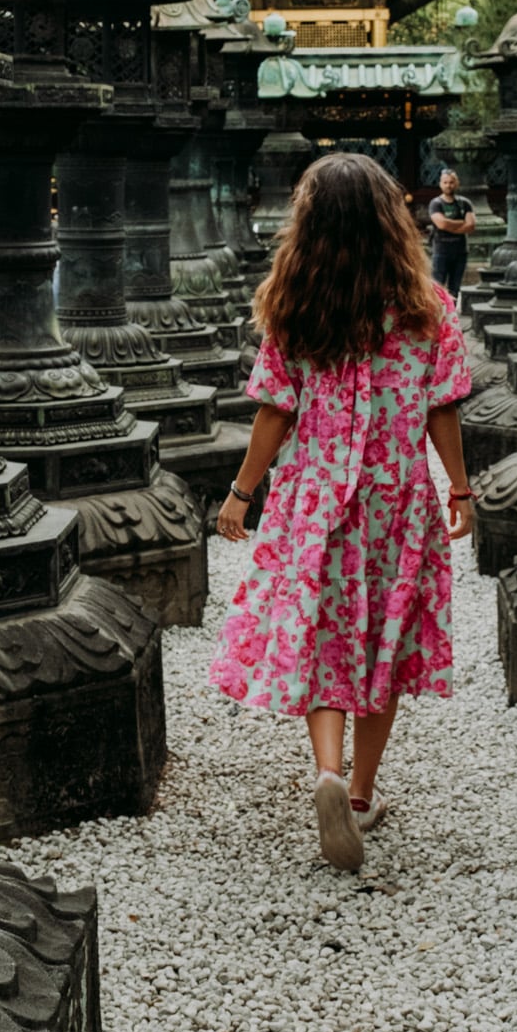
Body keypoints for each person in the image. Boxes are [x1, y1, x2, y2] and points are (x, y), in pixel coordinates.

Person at [209, 152, 474, 872]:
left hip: (313, 497)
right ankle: (359, 794)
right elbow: (441, 409)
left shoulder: (294, 304)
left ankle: (325, 771)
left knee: (322, 632)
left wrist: (240, 494)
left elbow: (273, 411)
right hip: (395, 497)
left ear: (311, 222)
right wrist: (459, 489)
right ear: (392, 220)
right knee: (382, 640)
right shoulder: (428, 307)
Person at [426, 166, 475, 299]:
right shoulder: (436, 203)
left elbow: (471, 225)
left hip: (460, 251)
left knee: (455, 288)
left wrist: (449, 225)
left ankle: (452, 317)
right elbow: (441, 224)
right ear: (440, 184)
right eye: (445, 182)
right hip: (441, 251)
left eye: (451, 182)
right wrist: (460, 223)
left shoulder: (465, 203)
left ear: (457, 183)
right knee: (437, 287)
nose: (448, 185)